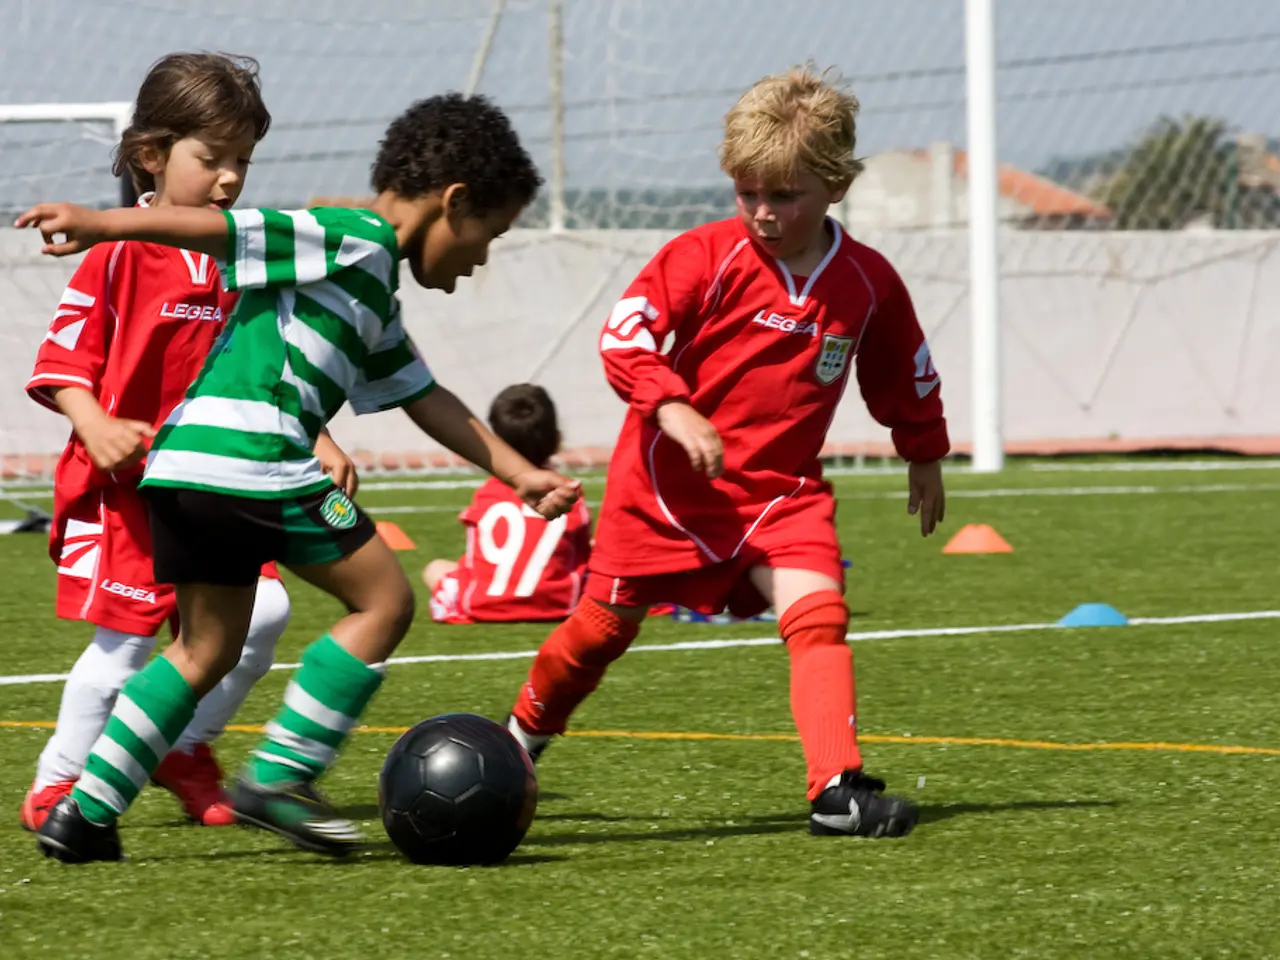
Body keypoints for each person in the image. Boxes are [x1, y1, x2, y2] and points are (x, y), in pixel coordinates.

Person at [18, 91, 582, 864]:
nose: (482, 257)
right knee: (383, 601)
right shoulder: (350, 236)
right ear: (454, 202)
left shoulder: (371, 287)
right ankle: (281, 778)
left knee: (201, 651)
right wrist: (100, 222)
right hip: (256, 462)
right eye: (490, 234)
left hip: (185, 466)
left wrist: (519, 472)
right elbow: (221, 228)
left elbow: (424, 396)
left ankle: (83, 814)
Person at [503, 66, 949, 838]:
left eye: (786, 195)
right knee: (600, 633)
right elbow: (625, 336)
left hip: (781, 493)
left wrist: (923, 450)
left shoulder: (869, 283)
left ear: (836, 187)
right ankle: (518, 744)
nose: (765, 213)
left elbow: (902, 367)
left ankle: (837, 791)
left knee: (819, 616)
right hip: (665, 491)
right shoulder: (702, 257)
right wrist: (672, 404)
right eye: (749, 194)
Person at [17, 52, 358, 832]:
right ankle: (58, 781)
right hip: (128, 493)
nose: (230, 178)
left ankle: (186, 748)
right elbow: (62, 361)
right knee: (125, 644)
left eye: (242, 160)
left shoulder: (244, 258)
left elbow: (265, 366)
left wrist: (322, 433)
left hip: (216, 482)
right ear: (151, 156)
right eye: (211, 159)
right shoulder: (115, 255)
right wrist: (93, 421)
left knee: (264, 613)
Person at [425, 383, 591, 624]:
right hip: (557, 605)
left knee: (435, 567)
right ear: (556, 438)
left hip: (483, 605)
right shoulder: (567, 491)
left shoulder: (487, 493)